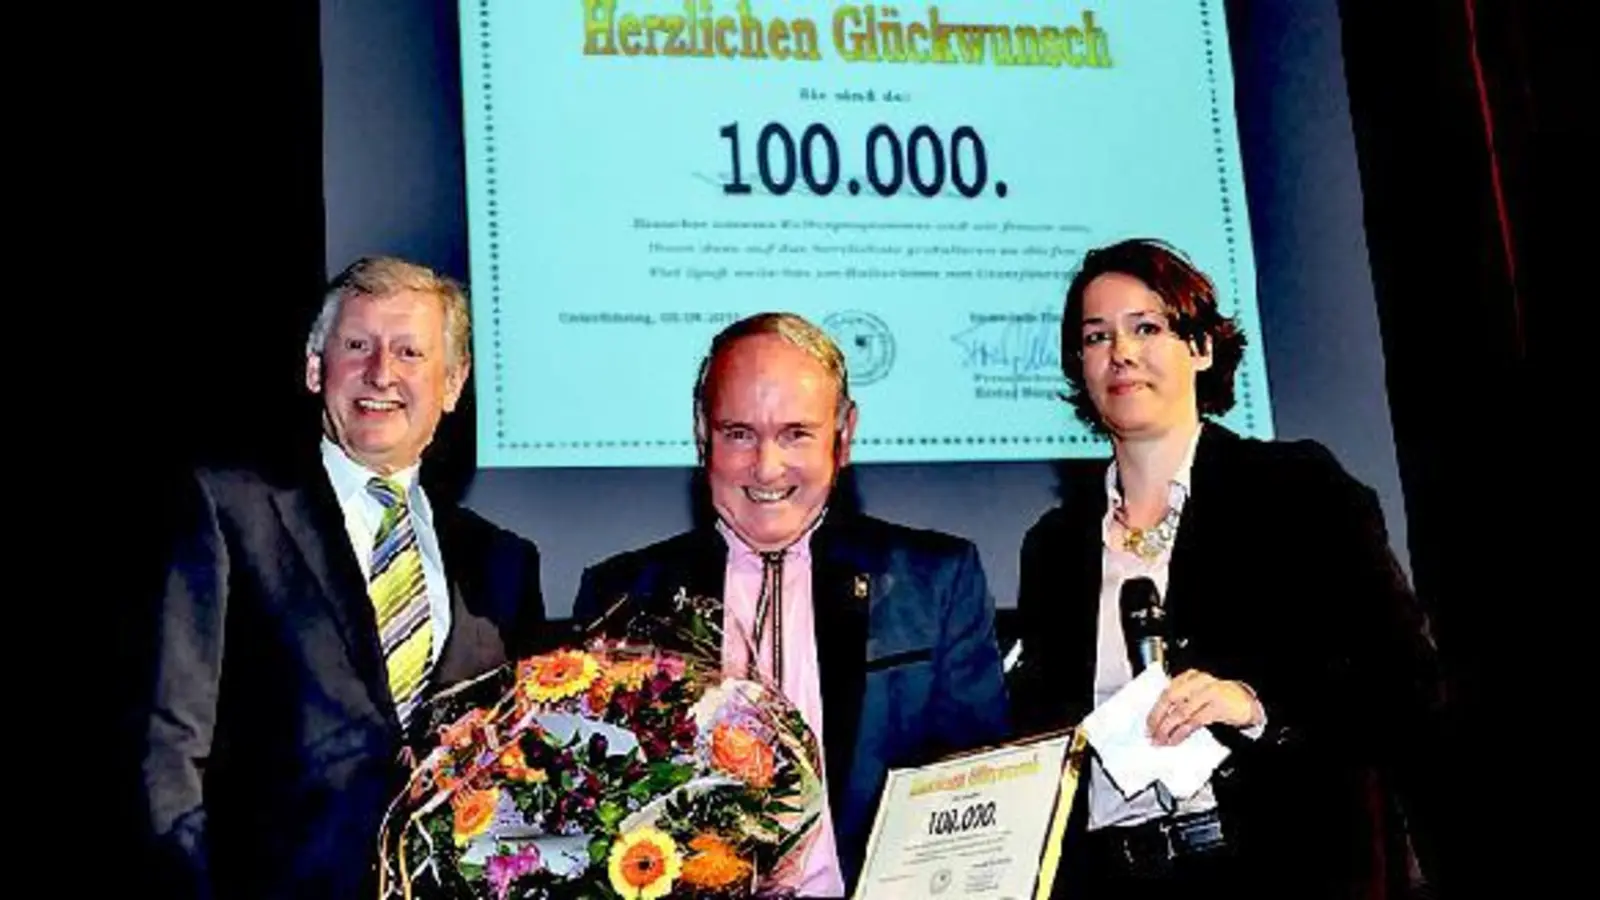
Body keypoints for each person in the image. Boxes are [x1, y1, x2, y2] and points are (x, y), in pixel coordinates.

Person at [1011, 239, 1445, 899]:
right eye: (1096, 337)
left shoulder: (1298, 491)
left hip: (1277, 869)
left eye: (1146, 328)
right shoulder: (1054, 547)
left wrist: (1256, 706)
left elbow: (1407, 685)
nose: (1120, 352)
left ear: (1202, 348)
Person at [135, 256, 548, 899]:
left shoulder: (502, 562)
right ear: (314, 367)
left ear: (452, 383)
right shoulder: (228, 509)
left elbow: (524, 767)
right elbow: (169, 744)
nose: (381, 372)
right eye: (357, 346)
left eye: (410, 352)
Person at [572, 312, 1010, 897]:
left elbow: (980, 794)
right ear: (702, 433)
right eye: (739, 433)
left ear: (844, 435)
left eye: (796, 434)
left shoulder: (934, 582)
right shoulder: (623, 597)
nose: (767, 467)